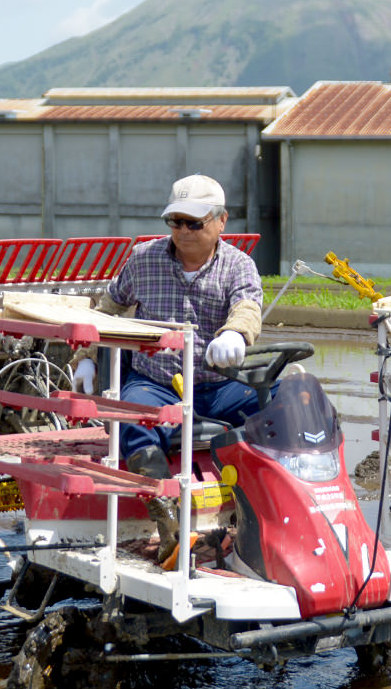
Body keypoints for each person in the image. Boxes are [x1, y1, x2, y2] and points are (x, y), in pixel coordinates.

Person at [72, 173, 264, 483]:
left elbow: (248, 306)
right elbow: (109, 309)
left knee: (292, 398)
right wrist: (86, 356)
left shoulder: (238, 265)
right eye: (176, 222)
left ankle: (281, 487)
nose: (184, 231)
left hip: (220, 386)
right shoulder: (143, 260)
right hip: (156, 384)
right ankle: (161, 501)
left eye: (194, 223)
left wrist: (236, 333)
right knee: (131, 415)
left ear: (221, 221)